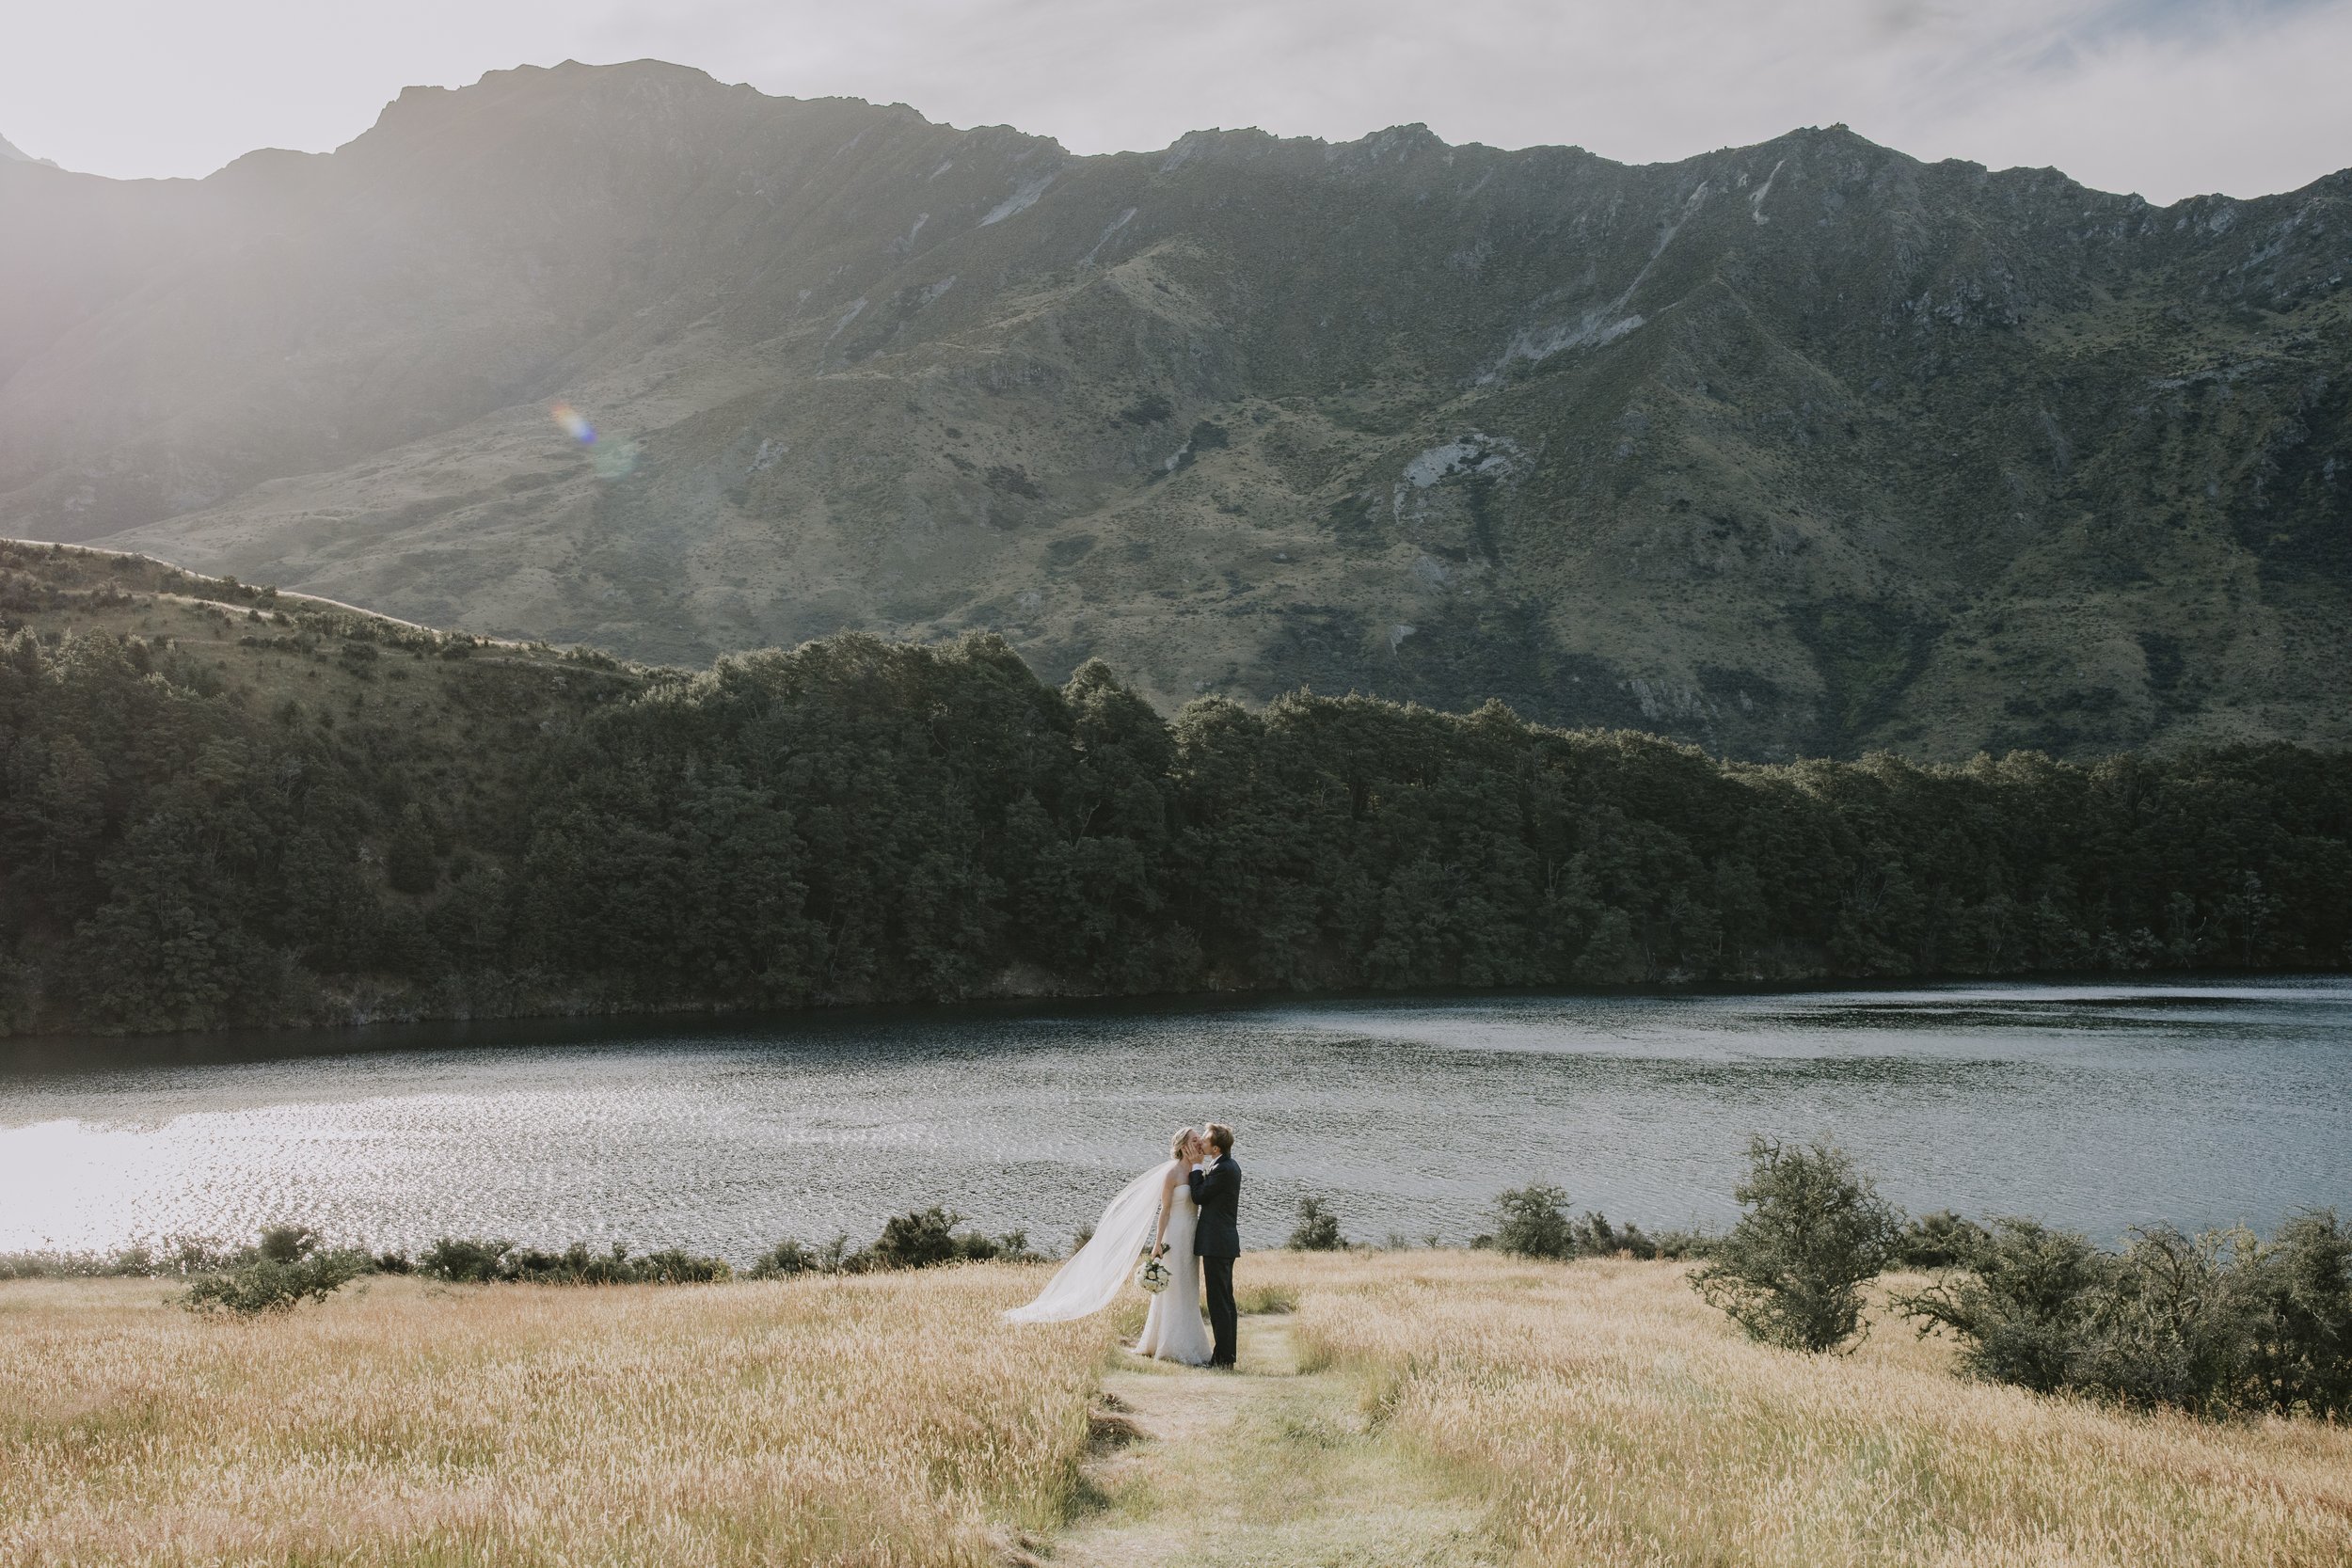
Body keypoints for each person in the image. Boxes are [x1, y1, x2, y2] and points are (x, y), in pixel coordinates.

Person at [1003, 1125, 1216, 1368]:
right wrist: (1157, 1244)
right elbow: (1164, 1212)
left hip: (1191, 1234)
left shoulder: (1199, 1170)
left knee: (1188, 1285)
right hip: (1174, 1235)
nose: (1200, 1142)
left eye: (1200, 1138)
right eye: (1195, 1139)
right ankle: (1170, 1344)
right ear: (1182, 1146)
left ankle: (1188, 1341)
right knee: (1173, 1287)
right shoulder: (1172, 1174)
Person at [1186, 1122, 1242, 1368]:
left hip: (1217, 1244)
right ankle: (1226, 1357)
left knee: (1220, 1303)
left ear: (1216, 1147)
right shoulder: (1226, 1165)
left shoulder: (1222, 1169)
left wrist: (1196, 1166)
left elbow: (1198, 1195)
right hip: (1222, 1243)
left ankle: (1222, 1360)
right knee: (1225, 1302)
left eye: (1206, 1141)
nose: (1202, 1144)